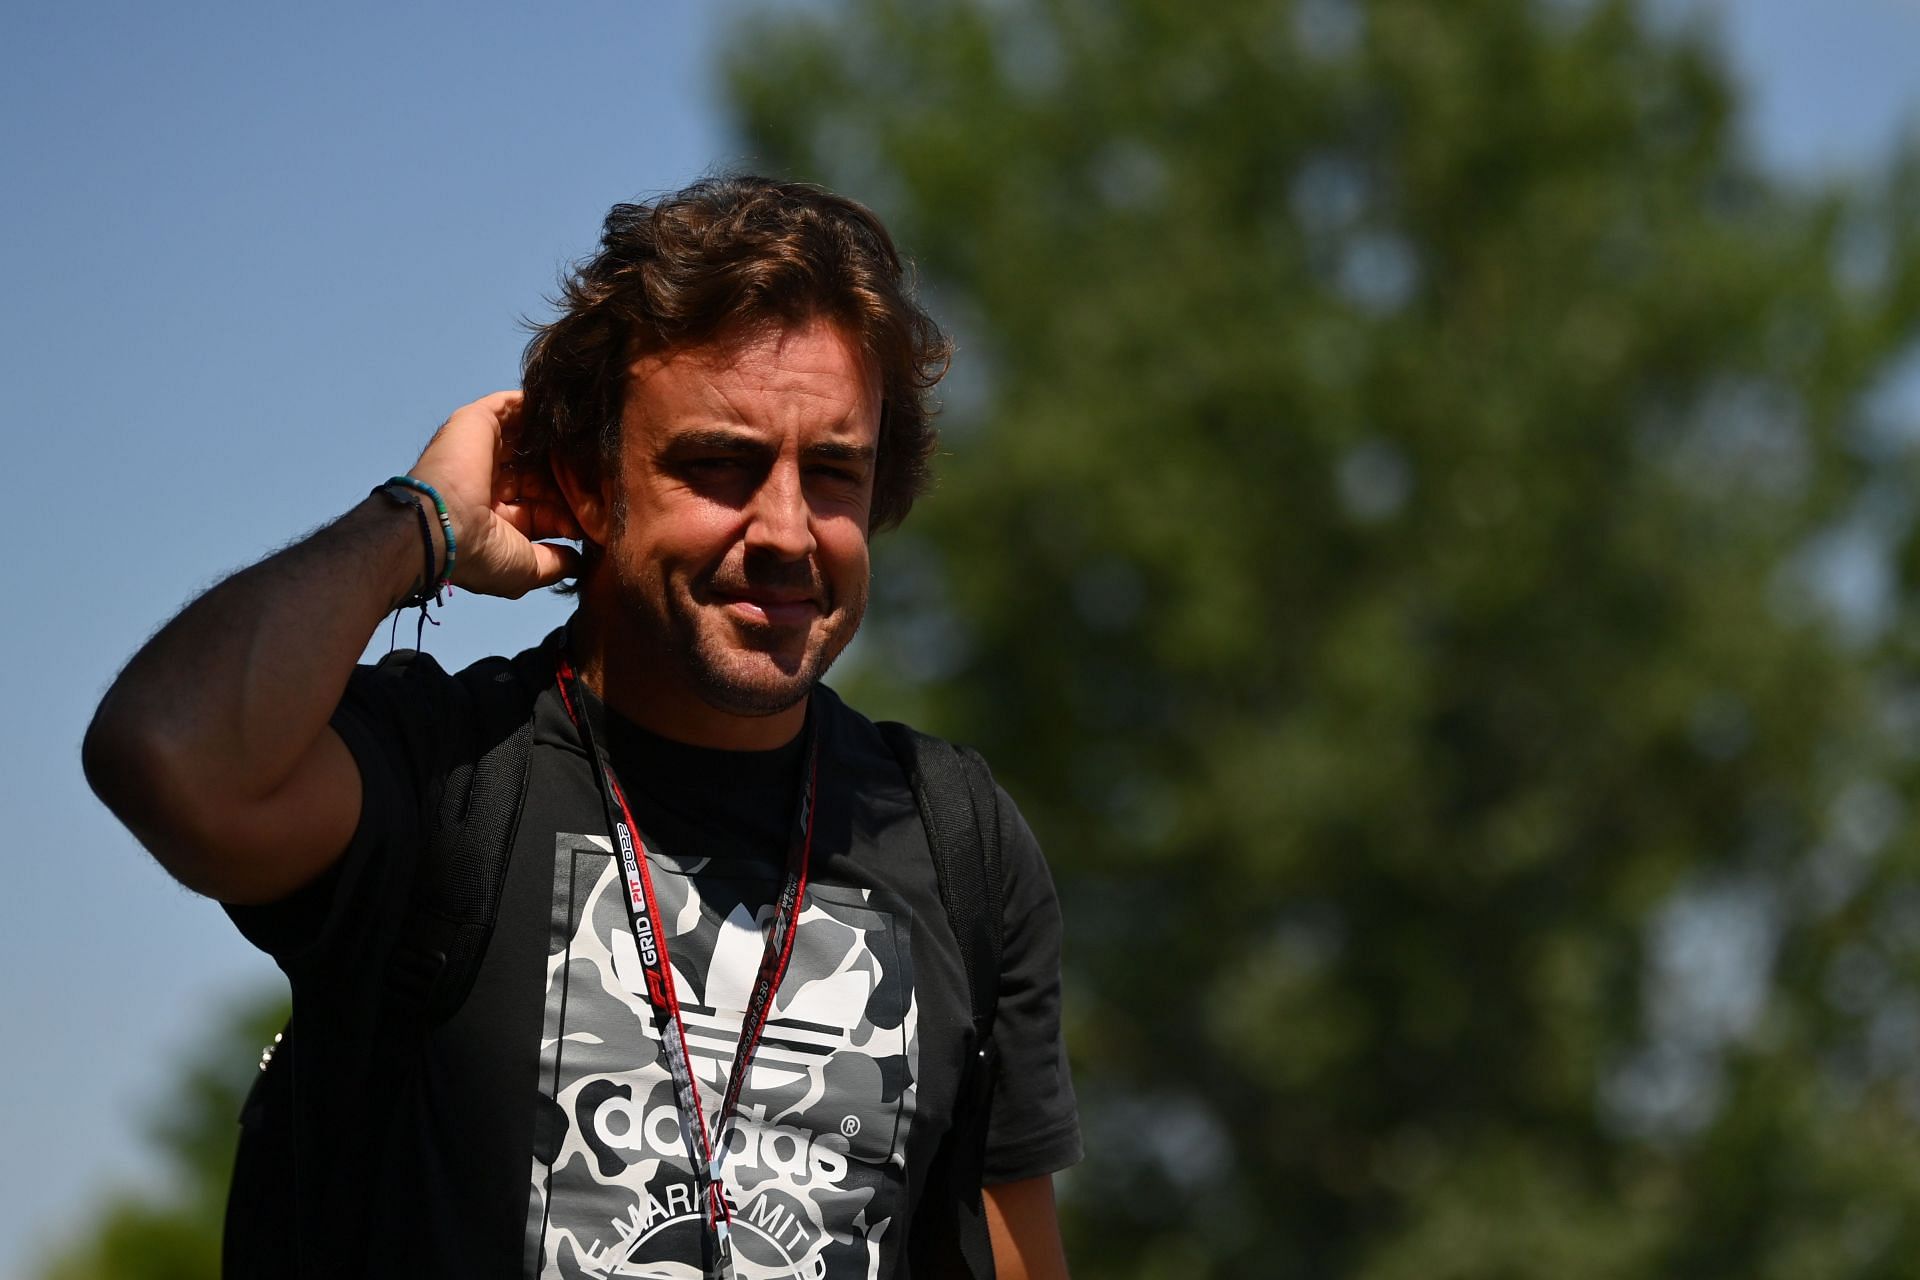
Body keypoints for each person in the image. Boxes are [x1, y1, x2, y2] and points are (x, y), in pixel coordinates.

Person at [84, 175, 1079, 1279]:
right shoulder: (450, 775)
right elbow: (167, 754)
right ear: (584, 485)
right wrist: (421, 524)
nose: (789, 530)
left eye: (834, 471)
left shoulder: (956, 836)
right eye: (721, 463)